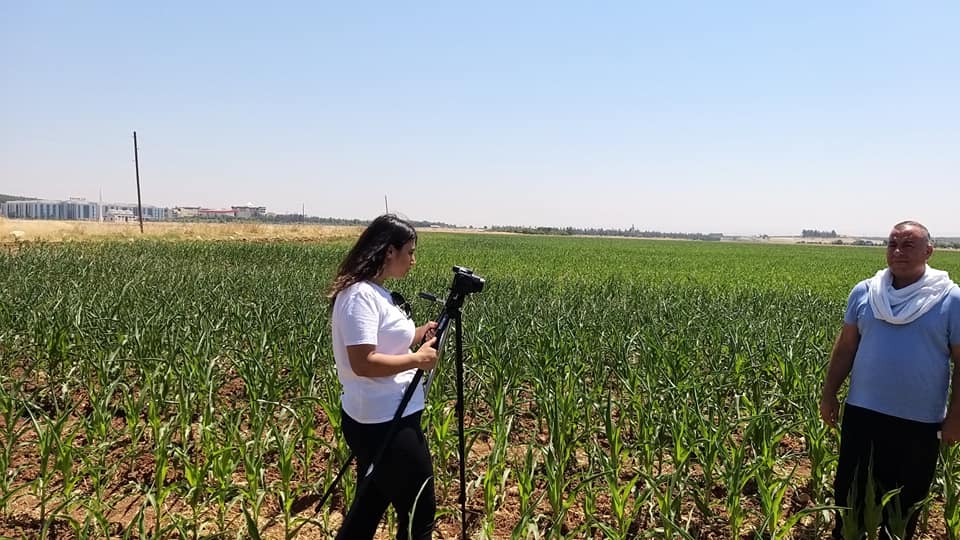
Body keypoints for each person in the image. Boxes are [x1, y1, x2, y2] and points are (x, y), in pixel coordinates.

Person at [820, 220, 960, 539]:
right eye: (892, 244)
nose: (898, 251)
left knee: (903, 505)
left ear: (929, 251)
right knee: (850, 496)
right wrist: (829, 393)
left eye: (908, 245)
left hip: (919, 423)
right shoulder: (866, 292)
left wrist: (956, 417)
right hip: (862, 414)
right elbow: (845, 348)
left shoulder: (951, 300)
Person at [328, 214, 439, 540]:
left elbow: (383, 343)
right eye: (410, 251)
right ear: (389, 251)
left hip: (379, 418)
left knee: (369, 506)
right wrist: (416, 360)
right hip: (384, 422)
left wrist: (419, 334)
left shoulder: (373, 292)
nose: (413, 261)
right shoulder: (360, 295)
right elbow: (363, 362)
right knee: (420, 512)